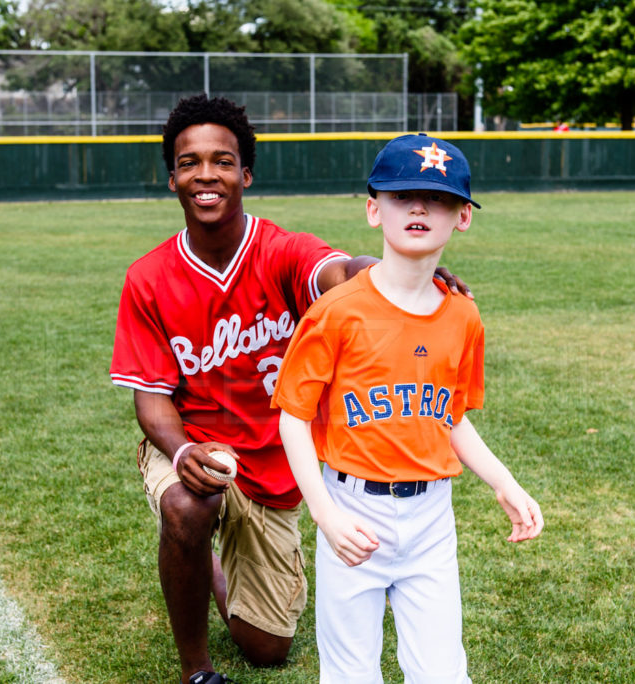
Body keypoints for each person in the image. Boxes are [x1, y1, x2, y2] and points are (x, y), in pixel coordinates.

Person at [109, 96, 469, 684]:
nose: (206, 175)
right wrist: (179, 453)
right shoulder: (148, 276)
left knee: (266, 648)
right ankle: (195, 668)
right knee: (186, 505)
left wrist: (400, 272)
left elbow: (341, 271)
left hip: (274, 464)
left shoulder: (279, 250)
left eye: (223, 162)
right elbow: (150, 397)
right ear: (171, 175)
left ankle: (213, 566)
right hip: (194, 445)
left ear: (245, 175)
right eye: (190, 162)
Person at [272, 133, 544, 683]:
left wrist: (504, 481)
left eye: (437, 197)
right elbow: (293, 417)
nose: (418, 207)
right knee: (351, 674)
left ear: (462, 216)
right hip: (353, 507)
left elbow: (451, 418)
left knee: (443, 673)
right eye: (401, 195)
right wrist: (325, 513)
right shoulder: (337, 311)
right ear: (375, 210)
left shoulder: (463, 316)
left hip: (431, 519)